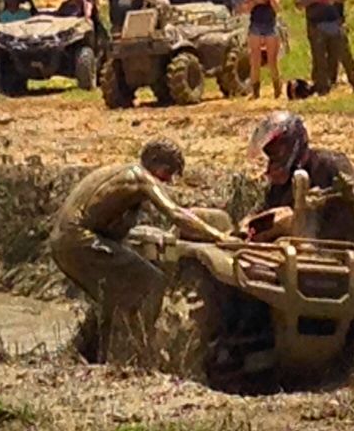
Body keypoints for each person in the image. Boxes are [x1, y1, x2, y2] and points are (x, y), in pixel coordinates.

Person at [49, 139, 232, 361]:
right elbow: (175, 213)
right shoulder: (139, 177)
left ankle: (99, 355)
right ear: (154, 162)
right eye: (168, 172)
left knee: (112, 298)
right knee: (152, 282)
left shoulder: (116, 172)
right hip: (80, 240)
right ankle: (139, 353)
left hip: (63, 242)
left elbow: (103, 217)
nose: (167, 180)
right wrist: (218, 235)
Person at [246, 111, 354, 251]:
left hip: (345, 250)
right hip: (303, 253)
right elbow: (265, 211)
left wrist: (348, 193)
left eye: (277, 152)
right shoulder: (281, 181)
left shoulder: (330, 163)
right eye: (270, 155)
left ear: (293, 145)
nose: (273, 162)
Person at [241, 0, 283, 99]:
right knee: (255, 60)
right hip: (256, 25)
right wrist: (255, 2)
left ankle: (277, 89)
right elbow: (245, 9)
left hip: (270, 25)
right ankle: (256, 91)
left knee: (272, 60)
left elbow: (278, 8)